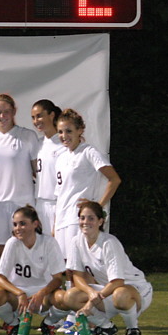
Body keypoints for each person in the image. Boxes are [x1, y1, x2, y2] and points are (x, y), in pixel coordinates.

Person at [63, 201, 152, 335]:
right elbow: (77, 276)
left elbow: (118, 281)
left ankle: (132, 328)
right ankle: (106, 327)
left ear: (100, 221)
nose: (85, 222)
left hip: (136, 290)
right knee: (70, 296)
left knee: (121, 294)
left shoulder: (109, 242)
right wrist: (90, 293)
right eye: (82, 218)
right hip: (108, 292)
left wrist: (91, 303)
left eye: (91, 218)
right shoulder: (76, 241)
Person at [0, 206, 69, 335]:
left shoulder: (49, 242)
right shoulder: (12, 243)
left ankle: (49, 323)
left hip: (44, 294)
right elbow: (0, 278)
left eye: (23, 223)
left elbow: (58, 279)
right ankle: (12, 323)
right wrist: (20, 293)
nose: (18, 228)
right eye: (15, 224)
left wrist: (41, 293)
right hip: (18, 293)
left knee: (65, 299)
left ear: (35, 224)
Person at [54, 109, 122, 258]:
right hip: (61, 219)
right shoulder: (60, 157)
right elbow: (60, 194)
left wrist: (98, 205)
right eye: (60, 132)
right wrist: (55, 224)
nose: (64, 136)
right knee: (65, 266)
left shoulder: (88, 152)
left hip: (76, 218)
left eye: (68, 131)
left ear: (80, 130)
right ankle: (70, 283)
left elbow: (114, 179)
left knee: (80, 263)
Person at [0, 94, 39, 257]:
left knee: (26, 251)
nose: (2, 116)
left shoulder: (27, 136)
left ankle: (29, 283)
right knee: (5, 255)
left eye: (7, 111)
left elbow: (37, 171)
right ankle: (6, 282)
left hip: (21, 202)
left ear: (14, 112)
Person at [30, 99, 63, 235]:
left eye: (39, 115)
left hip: (57, 204)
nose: (36, 120)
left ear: (52, 115)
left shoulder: (64, 145)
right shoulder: (37, 144)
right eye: (33, 117)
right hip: (40, 205)